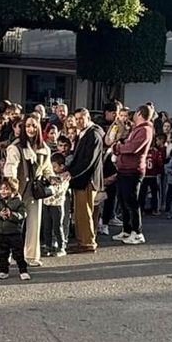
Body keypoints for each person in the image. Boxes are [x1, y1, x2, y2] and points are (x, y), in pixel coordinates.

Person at [4, 114, 54, 264]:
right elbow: (10, 167)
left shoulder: (44, 148)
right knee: (13, 224)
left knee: (34, 223)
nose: (31, 129)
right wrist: (11, 186)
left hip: (35, 190)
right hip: (18, 190)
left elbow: (47, 169)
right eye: (27, 126)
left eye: (33, 125)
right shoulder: (16, 147)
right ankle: (11, 254)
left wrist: (53, 178)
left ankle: (32, 256)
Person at [111, 102, 154, 244]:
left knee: (131, 201)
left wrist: (118, 147)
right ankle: (127, 229)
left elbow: (133, 148)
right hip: (124, 169)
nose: (133, 116)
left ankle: (137, 232)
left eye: (135, 113)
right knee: (123, 200)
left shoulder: (145, 129)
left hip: (133, 170)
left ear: (140, 114)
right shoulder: (137, 129)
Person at [65, 106, 104, 253]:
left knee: (85, 212)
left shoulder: (93, 134)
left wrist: (71, 173)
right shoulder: (84, 133)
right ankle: (82, 240)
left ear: (88, 118)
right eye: (77, 119)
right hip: (81, 179)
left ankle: (88, 242)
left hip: (87, 180)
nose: (79, 121)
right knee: (80, 213)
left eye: (81, 118)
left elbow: (88, 161)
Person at [0, 175, 30, 280]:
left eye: (6, 189)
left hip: (14, 232)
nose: (3, 191)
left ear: (13, 190)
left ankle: (23, 270)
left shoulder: (18, 202)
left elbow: (23, 214)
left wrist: (11, 215)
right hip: (0, 232)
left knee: (18, 253)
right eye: (2, 189)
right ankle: (3, 270)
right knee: (3, 253)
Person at [43, 152, 70, 257]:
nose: (52, 169)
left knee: (57, 226)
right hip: (46, 203)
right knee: (47, 226)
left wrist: (53, 183)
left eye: (54, 166)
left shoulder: (65, 176)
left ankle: (61, 246)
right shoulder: (49, 175)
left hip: (57, 204)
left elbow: (60, 189)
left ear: (61, 166)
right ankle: (48, 245)